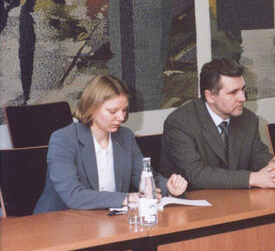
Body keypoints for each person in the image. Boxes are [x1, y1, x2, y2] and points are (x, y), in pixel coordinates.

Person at [33, 75, 187, 214]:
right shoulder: (64, 139)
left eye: (124, 110)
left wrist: (170, 188)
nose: (120, 117)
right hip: (59, 224)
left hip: (106, 221)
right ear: (91, 108)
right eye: (113, 111)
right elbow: (73, 195)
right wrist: (126, 198)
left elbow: (145, 179)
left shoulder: (125, 137)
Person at [160, 58, 275, 190]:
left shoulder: (248, 118)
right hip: (192, 202)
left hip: (236, 200)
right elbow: (196, 174)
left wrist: (273, 169)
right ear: (210, 96)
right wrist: (253, 178)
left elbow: (257, 155)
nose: (243, 98)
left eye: (242, 89)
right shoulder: (180, 123)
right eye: (233, 92)